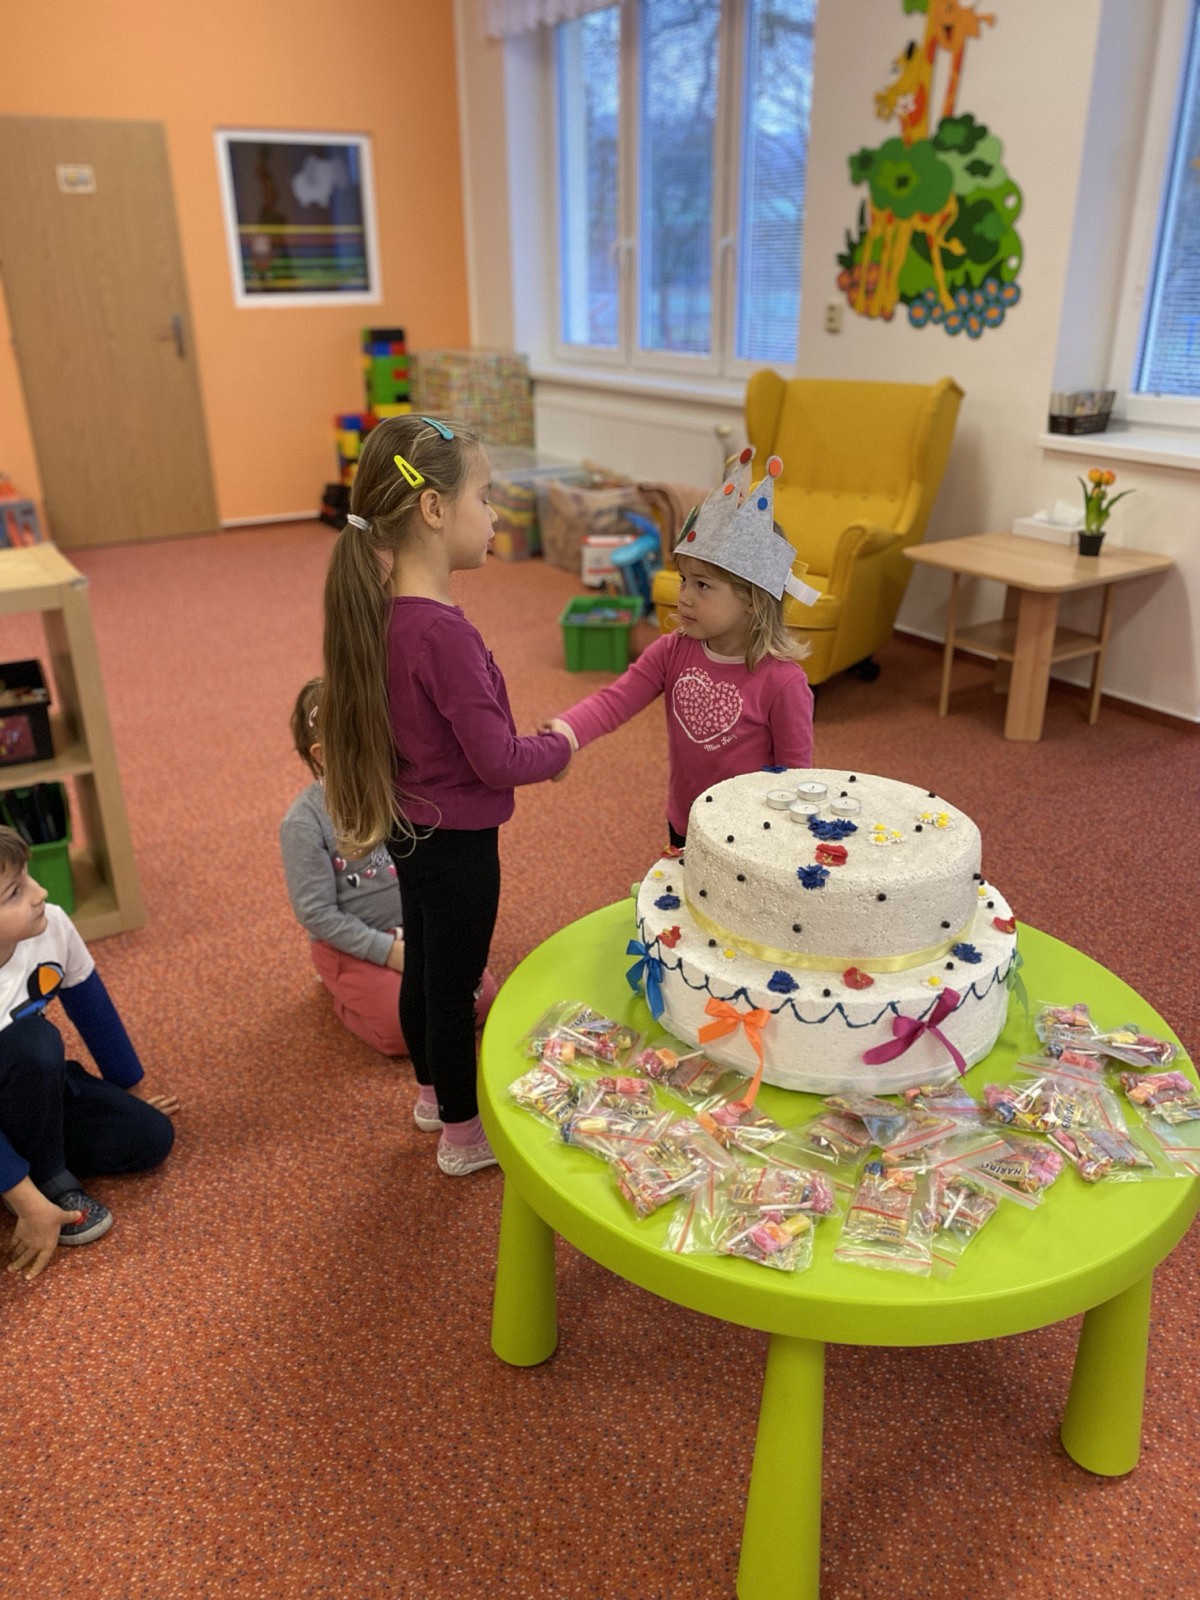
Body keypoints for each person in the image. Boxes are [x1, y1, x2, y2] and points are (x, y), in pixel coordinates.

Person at [320, 414, 572, 1176]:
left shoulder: (382, 616)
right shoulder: (443, 635)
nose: (495, 515)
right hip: (459, 842)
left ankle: (431, 1095)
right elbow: (496, 759)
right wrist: (558, 750)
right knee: (455, 988)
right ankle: (463, 1136)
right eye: (485, 498)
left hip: (411, 830)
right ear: (433, 509)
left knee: (427, 967)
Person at [543, 449, 818, 845]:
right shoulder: (672, 651)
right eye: (684, 579)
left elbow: (796, 779)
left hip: (752, 835)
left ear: (752, 598)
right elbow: (615, 701)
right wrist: (568, 732)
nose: (684, 596)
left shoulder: (783, 683)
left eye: (702, 585)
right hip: (685, 820)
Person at [279, 677, 497, 1059]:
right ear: (323, 756)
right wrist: (387, 952)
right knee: (403, 1031)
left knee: (481, 999)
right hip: (351, 945)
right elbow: (316, 913)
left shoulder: (403, 791)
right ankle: (340, 993)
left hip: (417, 927)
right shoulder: (303, 823)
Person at [0, 827, 177, 1282]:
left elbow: (94, 1011)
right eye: (14, 892)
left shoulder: (52, 924)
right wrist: (31, 1202)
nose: (40, 893)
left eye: (28, 877)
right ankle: (47, 1179)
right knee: (35, 1041)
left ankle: (23, 1170)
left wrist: (129, 1090)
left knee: (150, 1136)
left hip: (30, 1089)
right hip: (25, 1069)